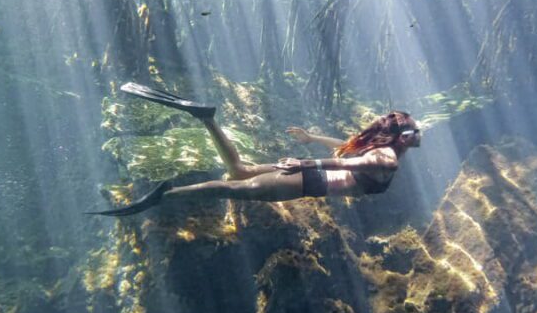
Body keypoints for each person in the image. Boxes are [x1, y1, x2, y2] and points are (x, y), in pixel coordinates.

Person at [88, 83, 421, 216]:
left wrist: (313, 138)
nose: (420, 134)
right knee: (236, 189)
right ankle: (164, 195)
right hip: (308, 181)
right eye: (415, 130)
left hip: (309, 174)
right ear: (401, 136)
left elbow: (350, 153)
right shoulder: (388, 159)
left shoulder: (381, 151)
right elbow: (355, 165)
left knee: (238, 171)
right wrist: (306, 161)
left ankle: (205, 118)